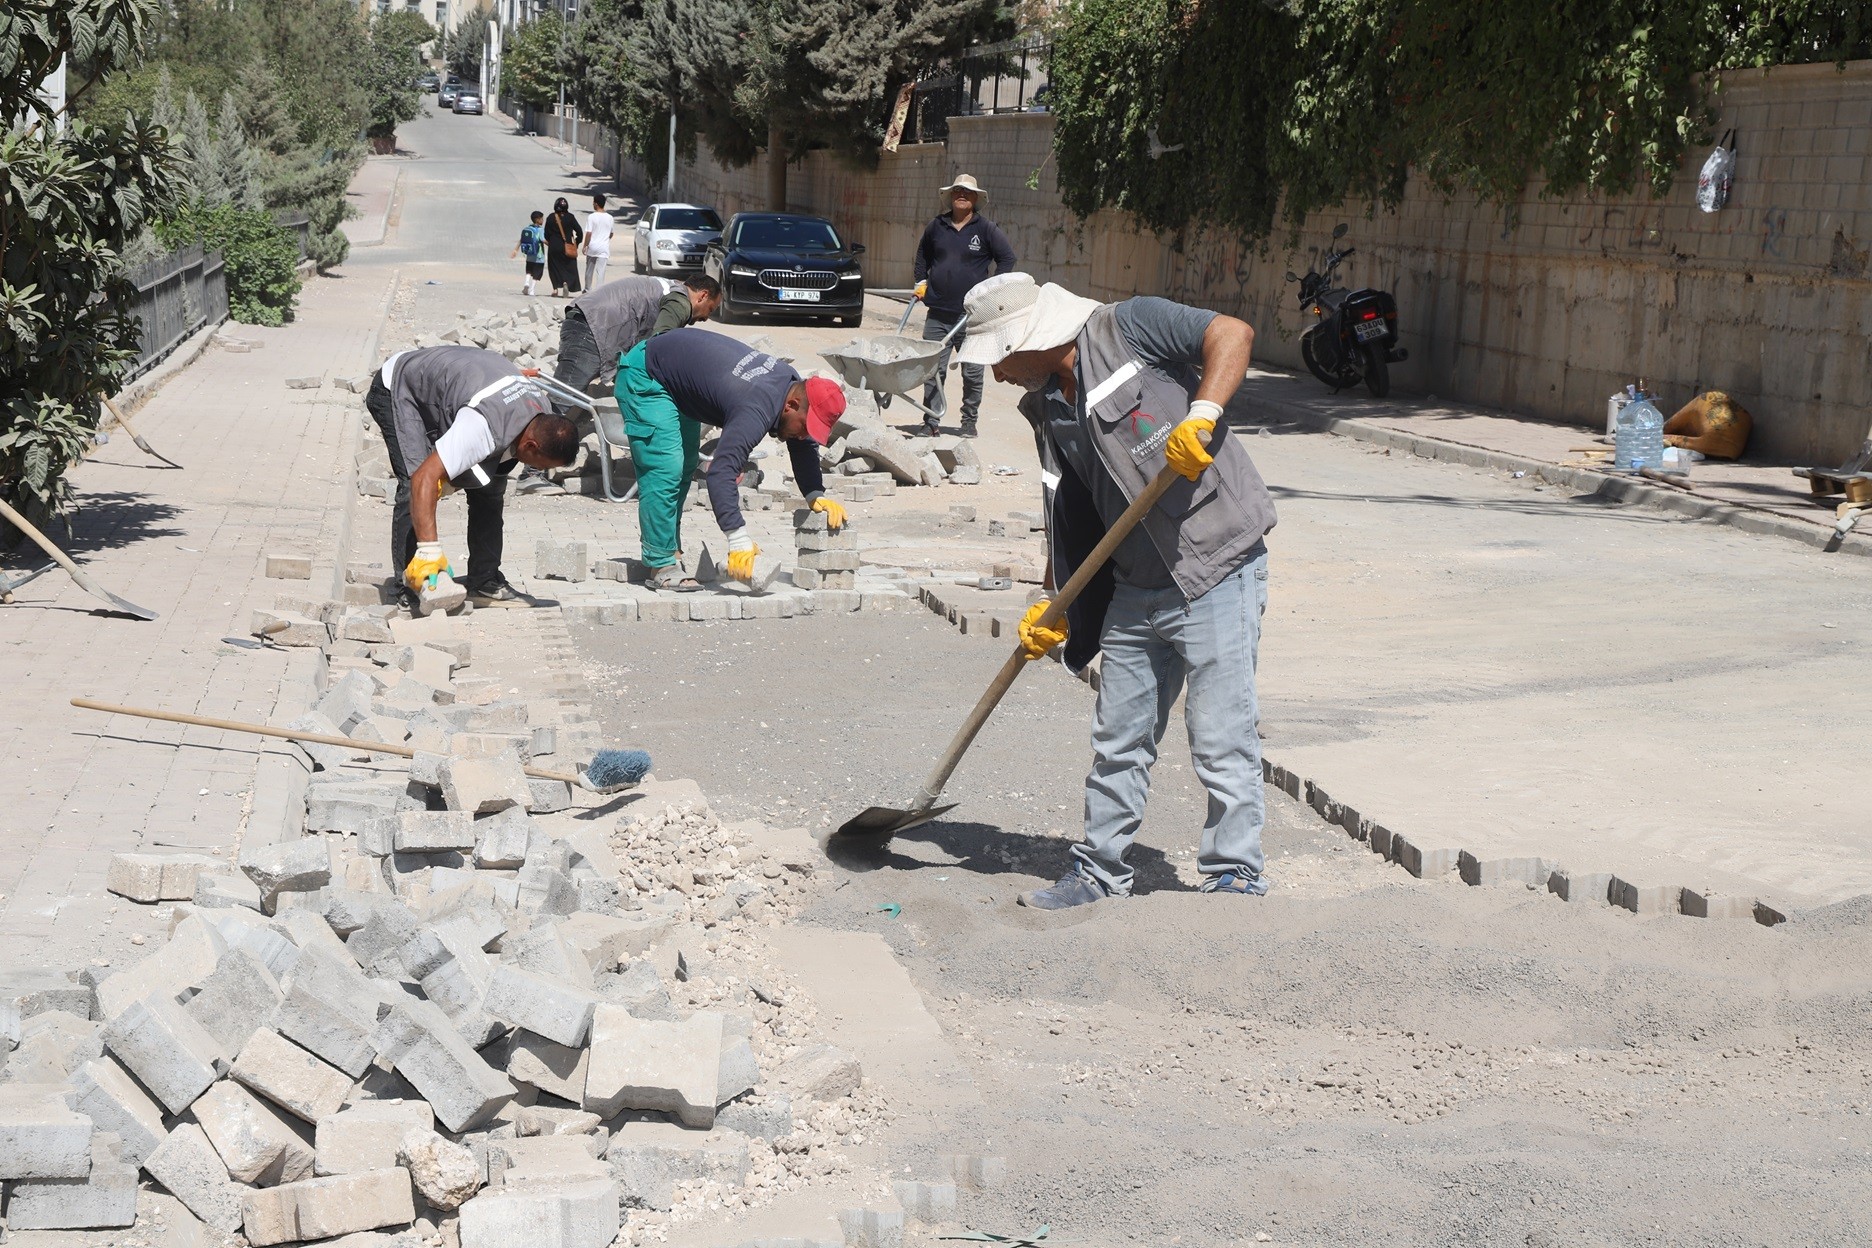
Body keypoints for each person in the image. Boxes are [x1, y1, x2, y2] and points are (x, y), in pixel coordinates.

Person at [953, 272, 1274, 909]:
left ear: (1031, 338)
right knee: (1118, 739)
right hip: (1134, 584)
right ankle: (1098, 874)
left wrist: (1203, 414)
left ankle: (1234, 876)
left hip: (1215, 565)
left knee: (1221, 736)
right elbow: (1066, 507)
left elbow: (1232, 334)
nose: (998, 374)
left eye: (1001, 358)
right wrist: (1054, 601)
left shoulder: (1131, 326)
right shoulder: (1048, 406)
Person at [614, 327, 848, 590]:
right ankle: (661, 563)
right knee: (666, 467)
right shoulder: (755, 407)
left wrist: (815, 493)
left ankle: (669, 549)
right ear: (791, 405)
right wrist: (738, 540)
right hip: (648, 374)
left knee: (686, 465)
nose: (804, 435)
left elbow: (802, 443)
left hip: (676, 374)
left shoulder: (790, 385)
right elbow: (720, 472)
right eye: (806, 426)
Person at [365, 346, 580, 610]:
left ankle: (483, 581)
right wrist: (431, 551)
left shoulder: (542, 413)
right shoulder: (480, 426)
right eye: (539, 465)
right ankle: (412, 586)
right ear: (531, 446)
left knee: (490, 489)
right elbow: (423, 478)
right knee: (415, 484)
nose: (537, 469)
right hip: (400, 386)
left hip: (464, 390)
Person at [912, 173, 1016, 438]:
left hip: (972, 317)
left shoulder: (986, 229)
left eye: (967, 192)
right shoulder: (937, 226)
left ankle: (969, 421)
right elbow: (922, 255)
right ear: (951, 196)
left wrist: (992, 289)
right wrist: (920, 281)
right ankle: (931, 421)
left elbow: (1007, 259)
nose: (962, 195)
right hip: (938, 314)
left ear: (975, 199)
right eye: (958, 191)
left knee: (972, 373)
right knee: (933, 370)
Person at [554, 273, 723, 398]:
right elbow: (662, 344)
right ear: (703, 296)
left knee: (570, 395)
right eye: (710, 310)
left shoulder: (671, 288)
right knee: (563, 397)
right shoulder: (680, 302)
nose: (706, 318)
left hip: (589, 320)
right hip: (591, 326)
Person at [543, 197, 583, 297]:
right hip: (567, 246)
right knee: (569, 266)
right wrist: (577, 242)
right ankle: (566, 282)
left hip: (553, 246)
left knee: (554, 267)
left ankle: (555, 289)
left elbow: (546, 234)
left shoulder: (550, 217)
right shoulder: (570, 217)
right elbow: (579, 232)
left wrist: (551, 241)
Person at [509, 210, 547, 296]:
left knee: (529, 270)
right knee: (537, 273)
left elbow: (521, 240)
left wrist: (516, 249)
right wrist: (551, 244)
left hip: (530, 255)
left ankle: (526, 283)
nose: (543, 220)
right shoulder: (540, 230)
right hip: (539, 256)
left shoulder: (528, 228)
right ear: (537, 219)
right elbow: (543, 240)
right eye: (541, 219)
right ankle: (532, 290)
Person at [583, 193, 615, 291]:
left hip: (593, 246)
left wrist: (585, 245)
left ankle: (587, 289)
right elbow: (611, 233)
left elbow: (589, 233)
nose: (593, 204)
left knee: (589, 270)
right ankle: (599, 291)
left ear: (596, 204)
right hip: (604, 248)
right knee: (601, 271)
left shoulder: (591, 217)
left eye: (593, 202)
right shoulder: (610, 217)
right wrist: (605, 239)